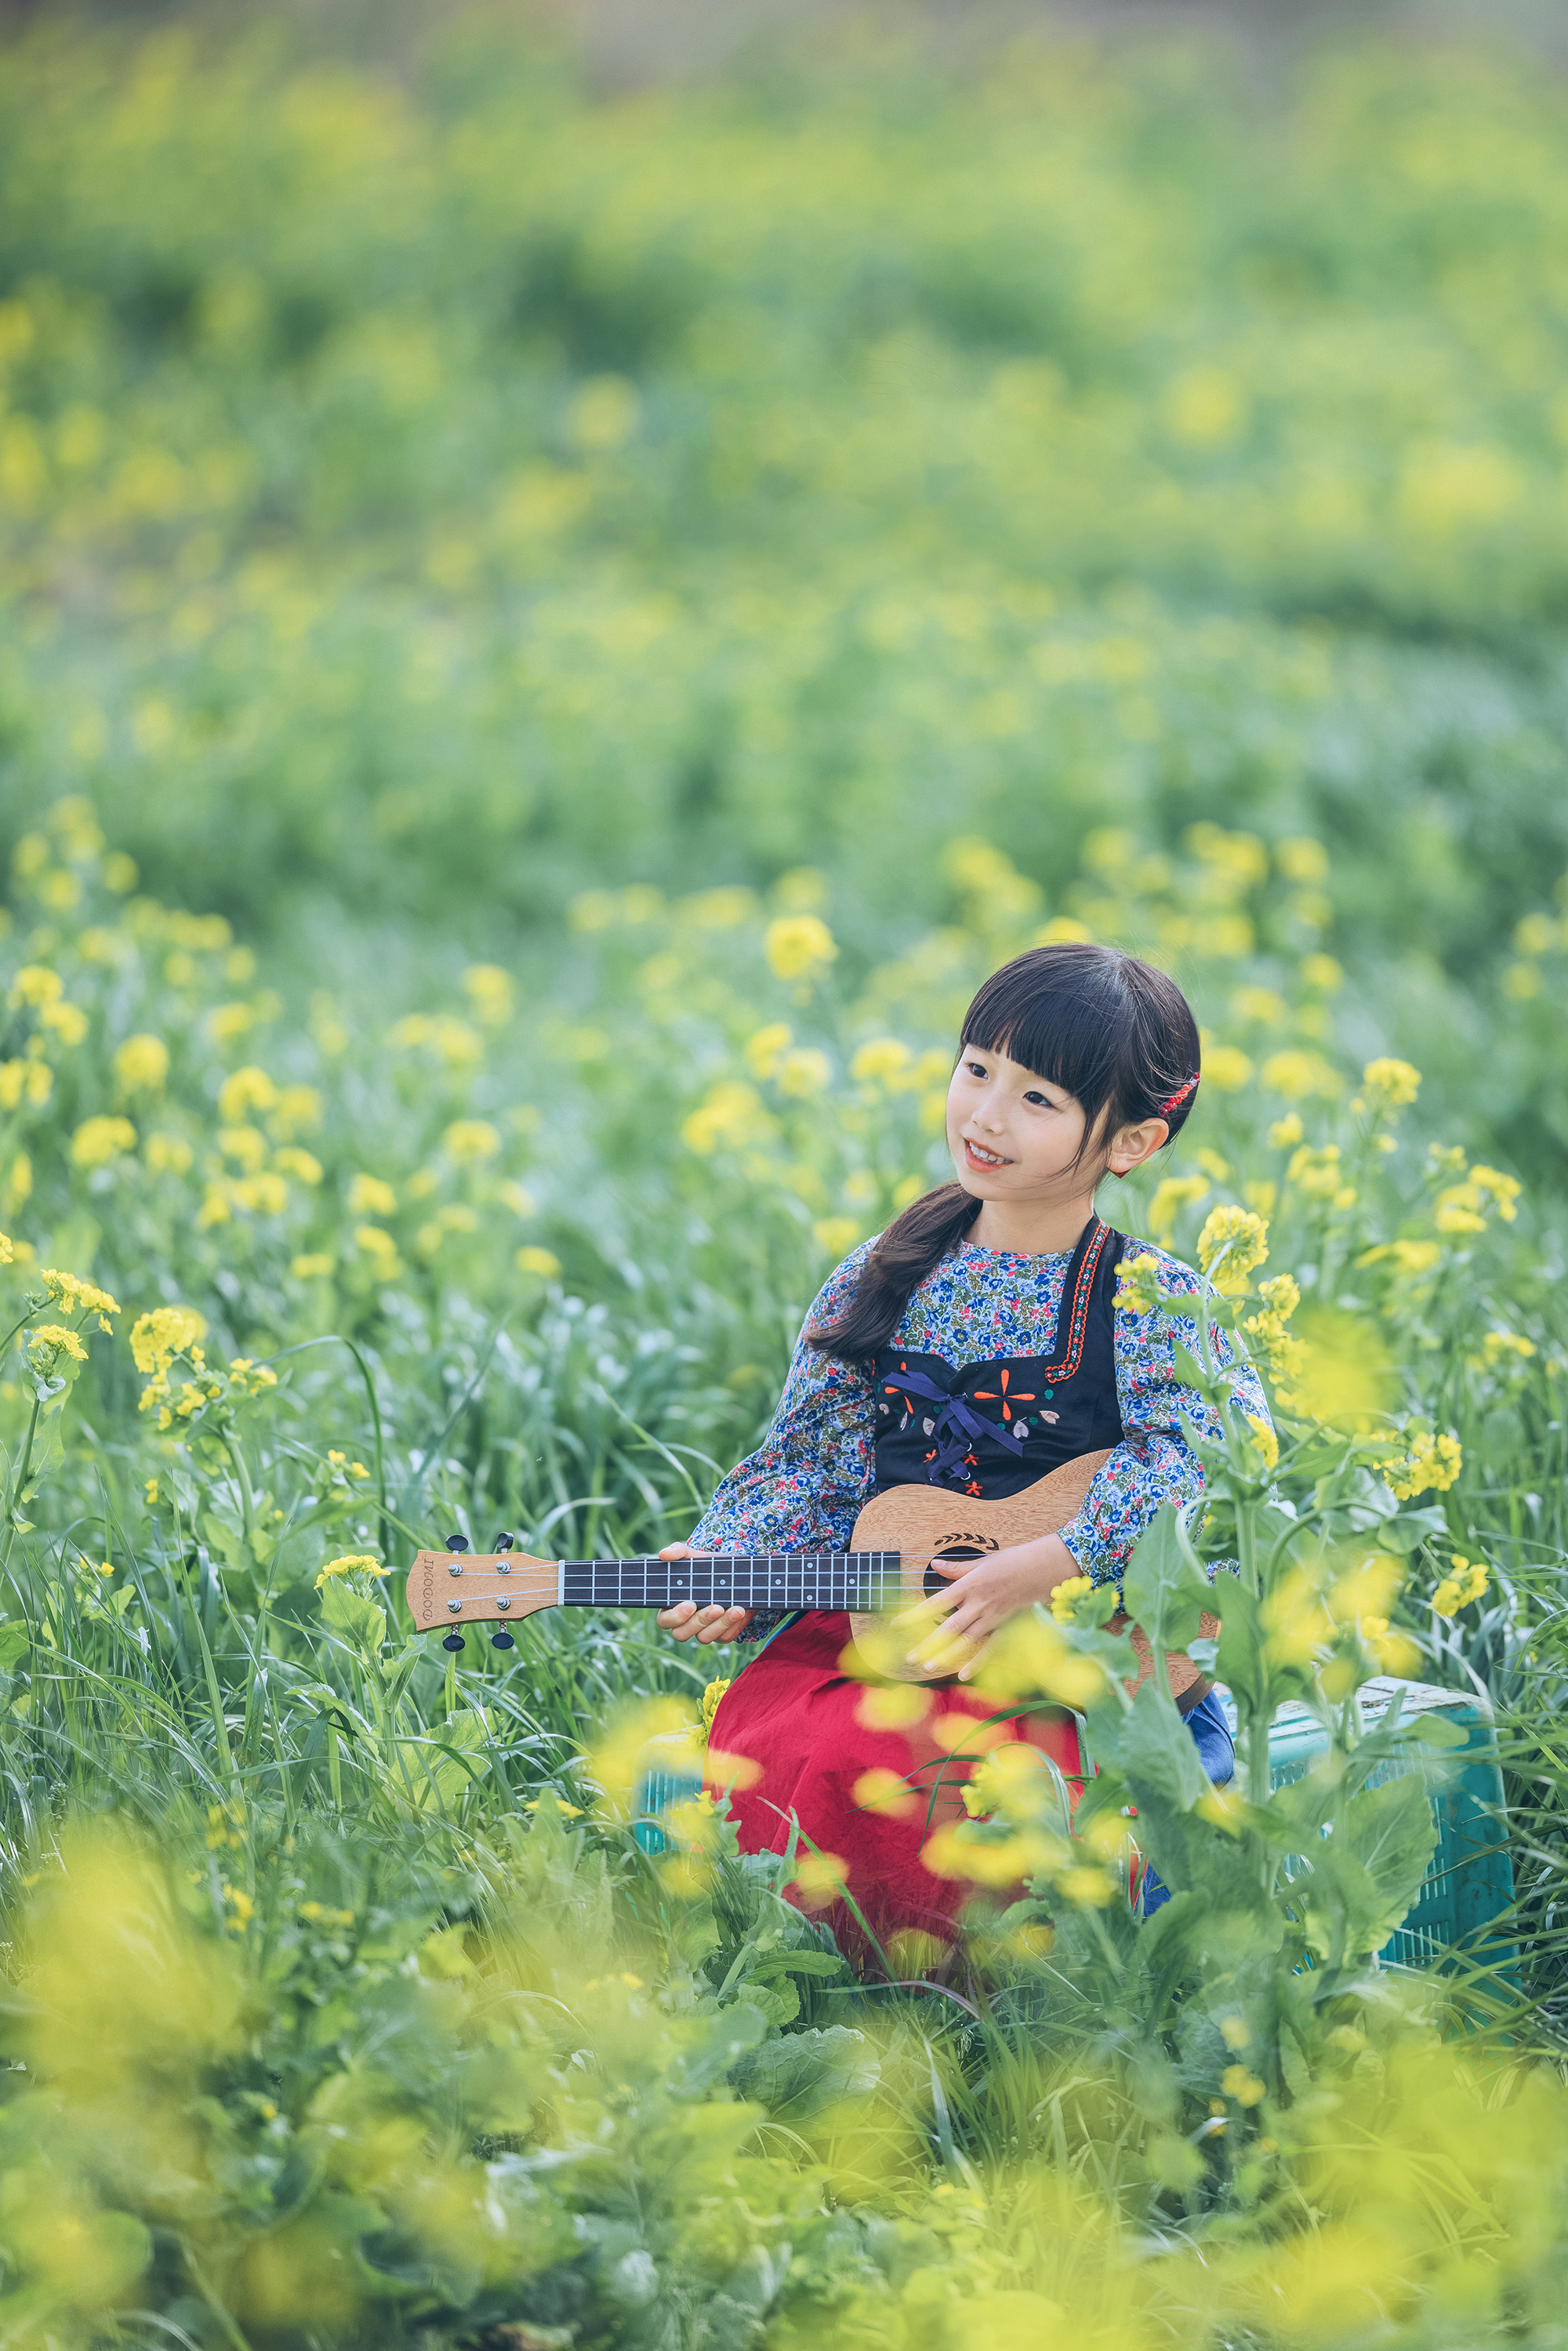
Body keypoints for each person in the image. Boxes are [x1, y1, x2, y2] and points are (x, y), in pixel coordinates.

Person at [656, 942, 1265, 1959]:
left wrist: (1054, 1559)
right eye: (977, 1069)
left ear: (1132, 1141)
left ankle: (1027, 2017)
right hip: (914, 1634)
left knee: (1007, 1789)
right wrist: (734, 1556)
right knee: (828, 1749)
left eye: (1038, 1099)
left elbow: (1213, 1452)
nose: (985, 1115)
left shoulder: (1148, 1298)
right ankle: (865, 2006)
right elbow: (813, 1462)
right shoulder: (886, 1273)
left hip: (1087, 1657)